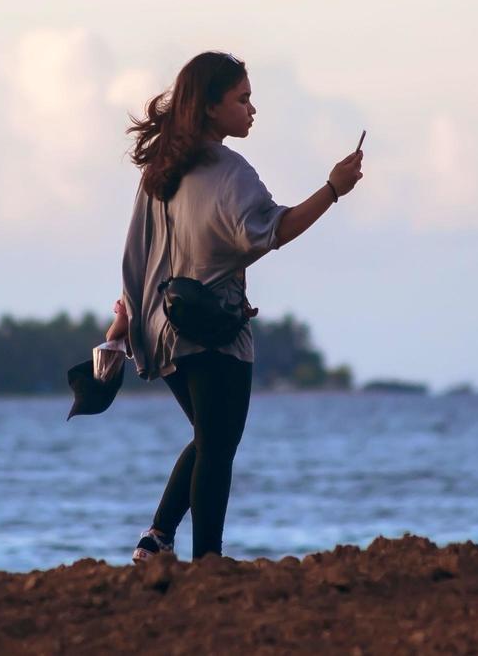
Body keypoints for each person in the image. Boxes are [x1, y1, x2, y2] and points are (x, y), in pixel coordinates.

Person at [103, 51, 364, 562]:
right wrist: (334, 188)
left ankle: (156, 541)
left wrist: (126, 318)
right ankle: (208, 561)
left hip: (162, 330)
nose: (252, 109)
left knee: (208, 440)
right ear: (210, 107)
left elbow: (139, 251)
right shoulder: (230, 170)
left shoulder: (161, 170)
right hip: (213, 332)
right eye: (242, 99)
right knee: (217, 448)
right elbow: (272, 230)